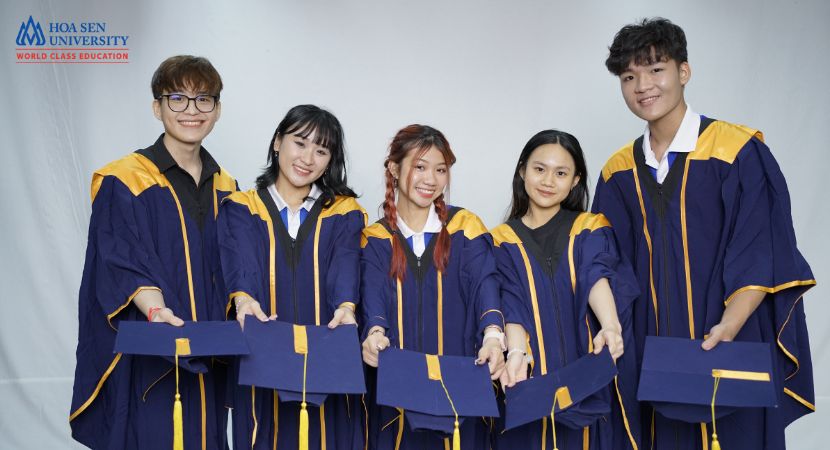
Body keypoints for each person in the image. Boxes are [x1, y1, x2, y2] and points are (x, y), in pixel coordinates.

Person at [593, 18, 816, 450]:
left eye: (655, 69)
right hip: (653, 353)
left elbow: (761, 248)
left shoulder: (737, 151)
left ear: (684, 71)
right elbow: (605, 265)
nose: (643, 86)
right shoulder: (618, 172)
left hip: (732, 338)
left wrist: (728, 327)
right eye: (629, 77)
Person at [70, 55, 237, 449]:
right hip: (153, 351)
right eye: (177, 98)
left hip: (210, 351)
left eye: (204, 99)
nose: (191, 110)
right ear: (157, 107)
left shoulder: (228, 187)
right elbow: (120, 258)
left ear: (217, 110)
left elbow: (237, 264)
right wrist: (156, 311)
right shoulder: (125, 179)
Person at [217, 104, 366, 449]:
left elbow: (345, 263)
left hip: (325, 356)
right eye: (300, 143)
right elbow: (241, 263)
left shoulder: (343, 212)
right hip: (262, 354)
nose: (308, 158)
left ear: (330, 160)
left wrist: (346, 307)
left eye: (321, 150)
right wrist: (243, 300)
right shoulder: (242, 207)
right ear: (277, 142)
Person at [491, 130, 640, 450]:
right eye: (539, 169)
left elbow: (595, 275)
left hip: (586, 372)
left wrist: (610, 325)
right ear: (523, 171)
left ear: (575, 181)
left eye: (561, 173)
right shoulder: (500, 240)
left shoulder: (590, 227)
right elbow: (511, 302)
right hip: (531, 378)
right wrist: (516, 354)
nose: (548, 181)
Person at [360, 124, 506, 449]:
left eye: (440, 170)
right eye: (420, 167)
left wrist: (494, 338)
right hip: (398, 393)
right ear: (394, 168)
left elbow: (486, 284)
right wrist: (374, 334)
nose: (431, 179)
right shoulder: (375, 238)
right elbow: (372, 296)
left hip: (460, 386)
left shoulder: (465, 228)